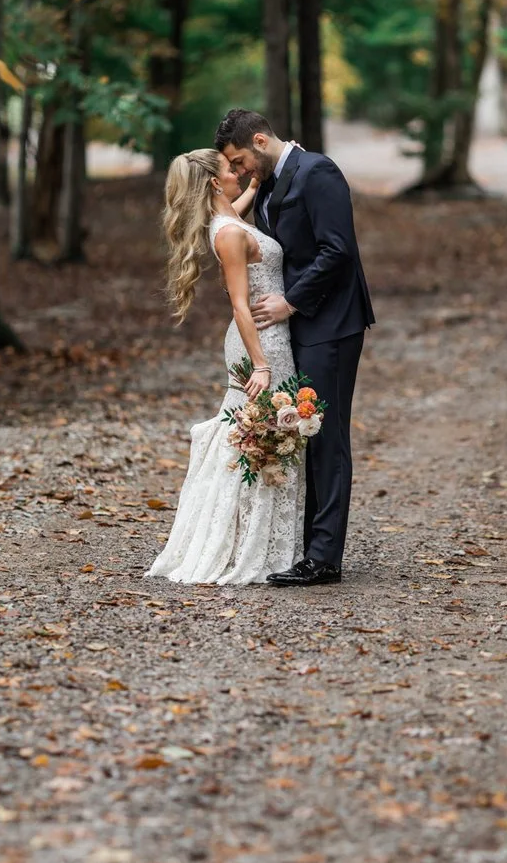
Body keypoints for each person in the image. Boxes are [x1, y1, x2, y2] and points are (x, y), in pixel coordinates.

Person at [215, 107, 374, 587]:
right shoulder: (268, 179)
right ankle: (301, 546)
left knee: (328, 437)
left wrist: (290, 303)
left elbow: (337, 250)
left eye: (240, 160)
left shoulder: (318, 171)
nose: (239, 171)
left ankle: (324, 558)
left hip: (330, 323)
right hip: (295, 329)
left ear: (261, 141)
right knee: (301, 433)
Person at [146, 148, 306, 585]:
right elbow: (239, 305)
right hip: (260, 342)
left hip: (268, 336)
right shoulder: (230, 235)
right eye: (229, 169)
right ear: (216, 183)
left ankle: (263, 538)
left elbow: (232, 213)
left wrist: (254, 186)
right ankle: (242, 544)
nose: (236, 171)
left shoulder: (227, 219)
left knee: (268, 432)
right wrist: (260, 365)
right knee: (257, 435)